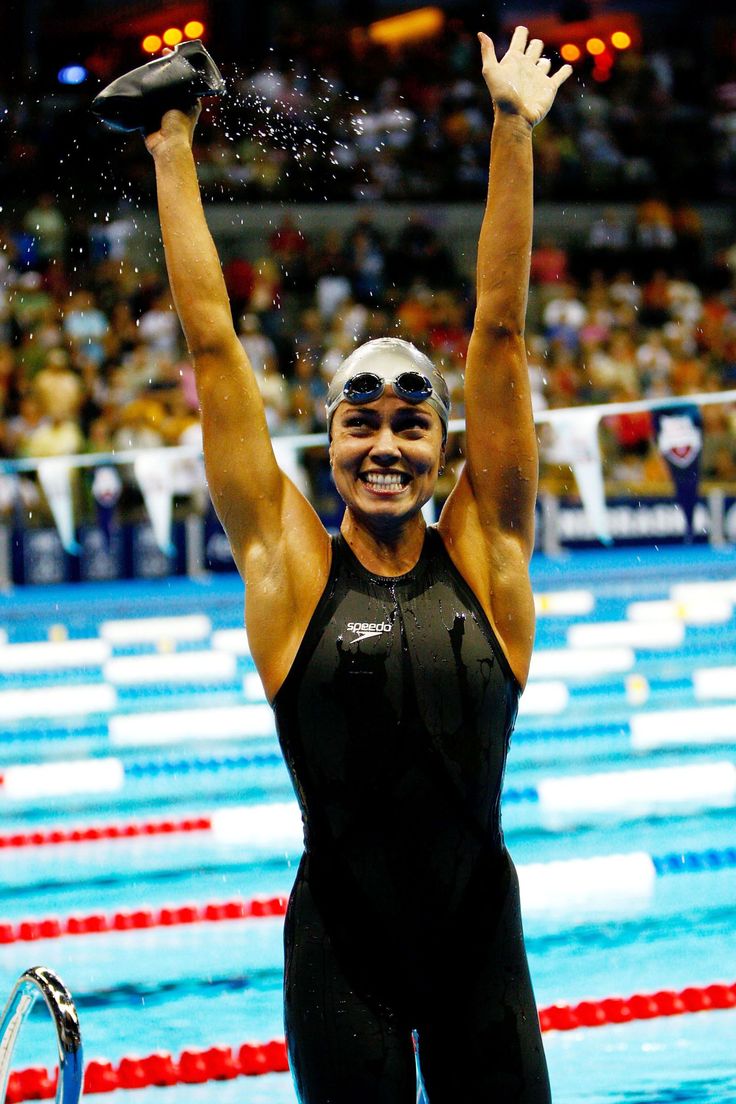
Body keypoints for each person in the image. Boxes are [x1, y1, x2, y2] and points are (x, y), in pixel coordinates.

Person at [143, 25, 571, 1102]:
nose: (386, 442)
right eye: (361, 420)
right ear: (326, 443)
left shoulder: (491, 555)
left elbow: (502, 335)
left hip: (482, 953)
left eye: (413, 422)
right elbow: (212, 347)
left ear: (445, 450)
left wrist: (512, 133)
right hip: (341, 961)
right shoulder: (288, 573)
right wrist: (170, 149)